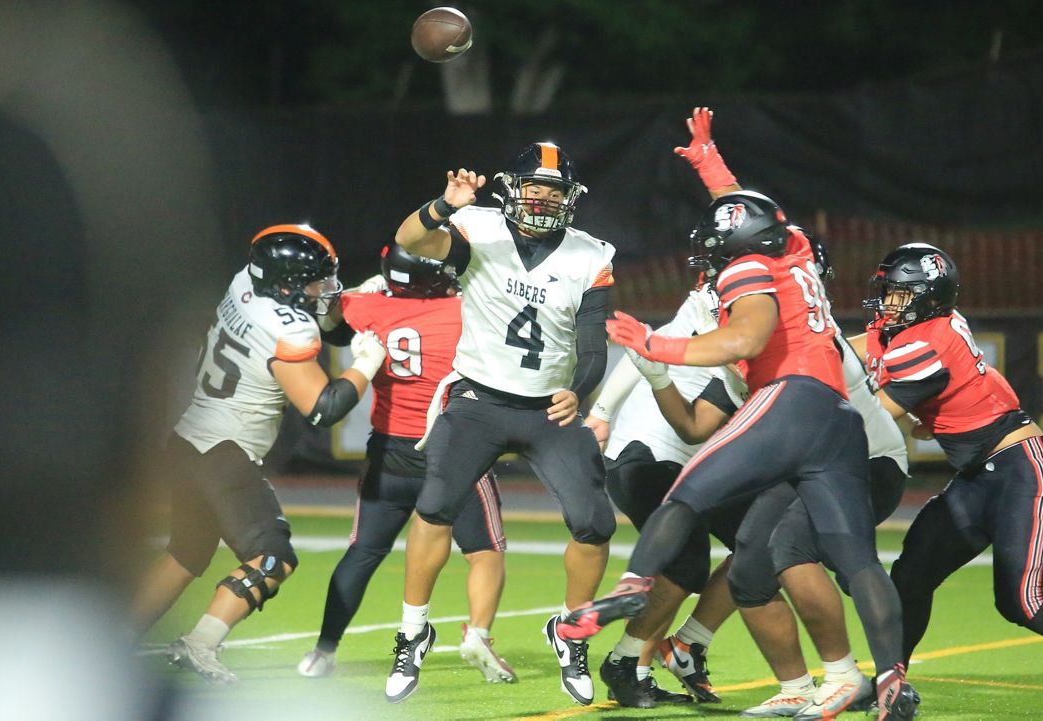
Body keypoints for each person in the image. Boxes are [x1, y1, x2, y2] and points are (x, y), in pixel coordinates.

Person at [557, 189, 919, 721]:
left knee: (700, 501)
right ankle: (867, 681)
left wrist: (658, 349)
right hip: (834, 433)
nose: (717, 285)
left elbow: (743, 341)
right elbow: (696, 421)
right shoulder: (798, 281)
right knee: (762, 562)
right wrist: (659, 378)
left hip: (818, 421)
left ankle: (635, 585)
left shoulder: (755, 280)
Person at [859, 242, 1043, 721]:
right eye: (888, 291)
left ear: (927, 297)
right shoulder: (920, 328)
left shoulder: (925, 342)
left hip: (1020, 470)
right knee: (911, 576)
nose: (889, 301)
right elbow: (858, 349)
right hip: (978, 474)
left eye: (899, 293)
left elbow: (872, 418)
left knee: (1021, 601)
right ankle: (892, 682)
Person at [385, 142, 616, 705]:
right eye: (534, 187)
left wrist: (579, 389)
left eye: (554, 191)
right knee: (434, 506)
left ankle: (570, 630)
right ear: (512, 189)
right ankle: (413, 632)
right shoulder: (479, 228)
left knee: (595, 524)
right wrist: (444, 205)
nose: (542, 199)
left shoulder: (590, 255)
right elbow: (409, 240)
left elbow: (593, 343)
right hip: (478, 400)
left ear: (569, 198)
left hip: (547, 409)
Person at [128, 224, 387, 684]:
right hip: (224, 453)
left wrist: (347, 303)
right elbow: (324, 408)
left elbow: (318, 316)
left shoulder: (244, 282)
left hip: (188, 441)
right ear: (285, 286)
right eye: (316, 282)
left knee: (186, 553)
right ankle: (200, 643)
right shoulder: (287, 327)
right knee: (272, 556)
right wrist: (367, 361)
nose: (324, 288)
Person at [297, 243, 513, 684]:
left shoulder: (367, 307)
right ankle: (479, 634)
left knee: (363, 552)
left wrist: (365, 293)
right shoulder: (465, 310)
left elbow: (328, 320)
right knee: (485, 552)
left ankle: (323, 651)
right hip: (455, 451)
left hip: (390, 454)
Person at [584, 286, 741, 708]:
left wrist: (602, 412)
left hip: (694, 461)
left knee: (766, 542)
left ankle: (675, 650)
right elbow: (650, 347)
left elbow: (652, 343)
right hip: (653, 451)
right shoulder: (730, 303)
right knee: (686, 563)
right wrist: (602, 413)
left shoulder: (747, 305)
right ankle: (626, 661)